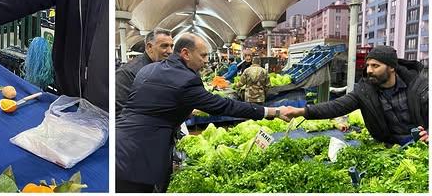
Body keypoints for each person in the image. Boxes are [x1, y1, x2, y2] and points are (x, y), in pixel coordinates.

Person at [115, 34, 294, 193]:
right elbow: (226, 106)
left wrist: (184, 110)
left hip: (121, 142)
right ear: (186, 53)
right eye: (203, 55)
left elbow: (153, 107)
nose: (206, 61)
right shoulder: (186, 80)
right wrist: (273, 111)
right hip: (141, 154)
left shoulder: (148, 70)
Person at [283, 46, 428, 145]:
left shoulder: (419, 85)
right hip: (391, 145)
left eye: (375, 66)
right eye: (368, 65)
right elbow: (336, 106)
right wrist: (302, 111)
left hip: (422, 143)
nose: (369, 70)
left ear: (391, 67)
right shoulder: (365, 91)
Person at [115, 28, 174, 115]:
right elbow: (119, 112)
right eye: (164, 46)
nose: (170, 51)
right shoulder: (127, 73)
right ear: (149, 47)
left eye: (171, 46)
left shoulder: (165, 68)